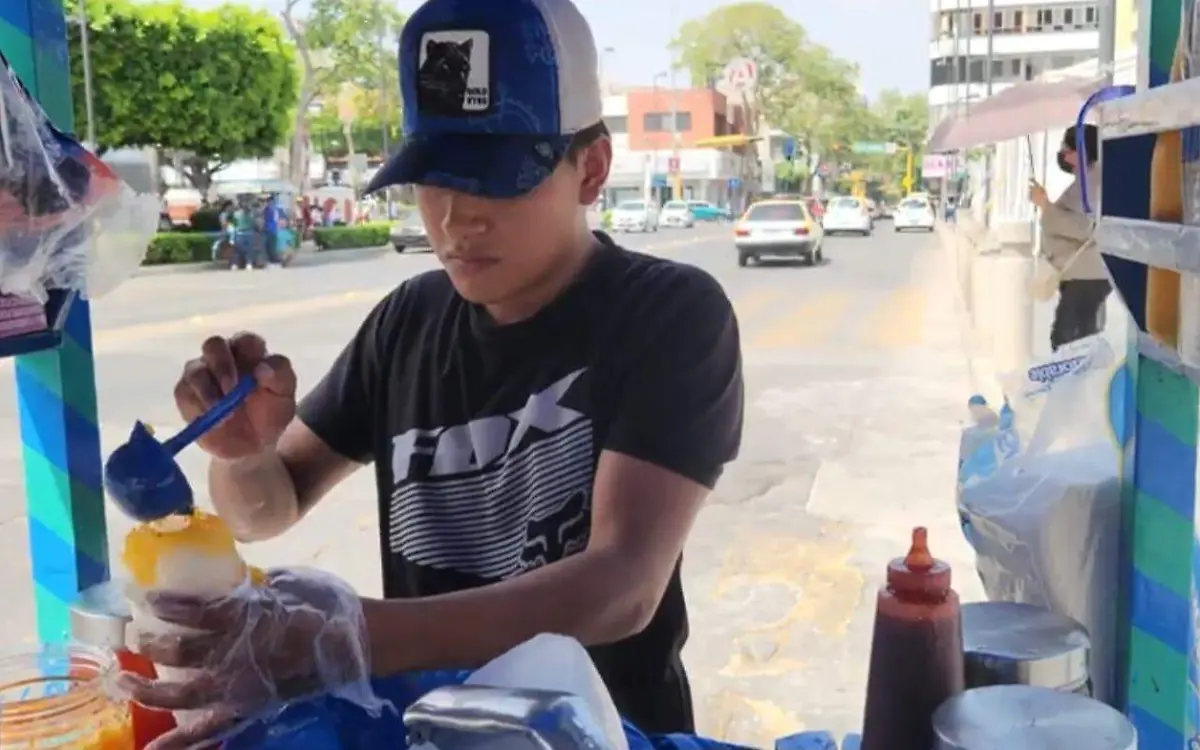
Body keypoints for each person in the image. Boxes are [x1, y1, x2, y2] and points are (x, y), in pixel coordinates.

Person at [125, 0, 744, 744]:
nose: (454, 219)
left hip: (603, 732)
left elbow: (621, 586)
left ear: (593, 168)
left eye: (498, 179)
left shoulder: (669, 315)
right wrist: (245, 453)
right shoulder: (407, 321)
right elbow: (267, 511)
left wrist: (349, 638)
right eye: (432, 179)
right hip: (436, 731)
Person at [1029, 124, 1110, 351]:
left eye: (1067, 149)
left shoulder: (1093, 183)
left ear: (1082, 152)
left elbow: (1088, 227)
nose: (1062, 154)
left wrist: (1045, 204)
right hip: (1079, 276)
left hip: (1086, 277)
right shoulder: (1086, 182)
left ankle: (1074, 386)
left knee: (1068, 343)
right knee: (1073, 340)